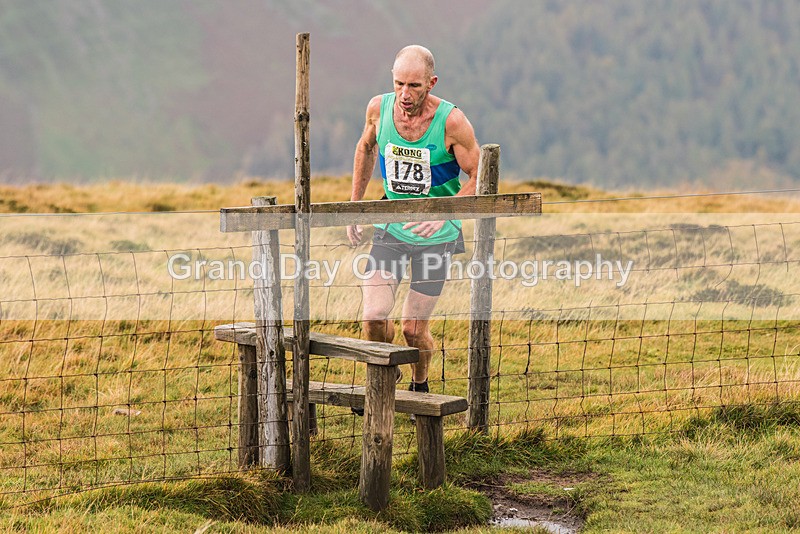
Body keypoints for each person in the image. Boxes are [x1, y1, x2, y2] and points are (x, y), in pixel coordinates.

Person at [347, 45, 480, 405]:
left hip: (437, 237)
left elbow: (477, 174)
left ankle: (420, 383)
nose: (405, 95)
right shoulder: (379, 108)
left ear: (431, 83)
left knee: (412, 329)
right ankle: (383, 380)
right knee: (374, 317)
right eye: (399, 84)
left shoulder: (452, 122)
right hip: (392, 228)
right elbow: (365, 147)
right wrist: (356, 206)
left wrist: (444, 213)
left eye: (415, 86)